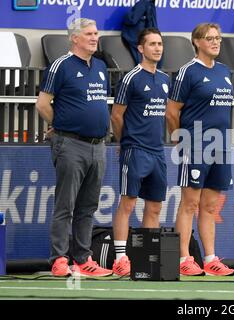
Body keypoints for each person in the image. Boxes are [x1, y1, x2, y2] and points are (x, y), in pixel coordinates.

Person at [36, 18, 112, 277]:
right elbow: (42, 104)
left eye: (96, 33)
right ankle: (59, 258)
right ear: (75, 38)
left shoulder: (101, 66)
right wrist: (59, 125)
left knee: (88, 207)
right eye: (89, 34)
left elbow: (101, 104)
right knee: (65, 205)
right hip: (70, 144)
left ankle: (83, 258)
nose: (94, 37)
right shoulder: (61, 66)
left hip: (98, 146)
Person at [165, 23, 234, 276]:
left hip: (220, 145)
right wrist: (181, 138)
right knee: (190, 203)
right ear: (196, 42)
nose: (216, 42)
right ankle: (183, 258)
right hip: (195, 145)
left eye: (218, 38)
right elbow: (172, 111)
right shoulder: (188, 72)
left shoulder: (225, 71)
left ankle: (210, 259)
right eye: (210, 38)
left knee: (210, 206)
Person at [110, 28, 169, 276]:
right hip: (135, 150)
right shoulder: (130, 78)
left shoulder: (166, 80)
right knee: (128, 203)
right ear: (141, 49)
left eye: (160, 44)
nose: (157, 48)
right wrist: (126, 143)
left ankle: (146, 259)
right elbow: (116, 115)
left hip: (158, 152)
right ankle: (121, 259)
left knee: (154, 207)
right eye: (152, 44)